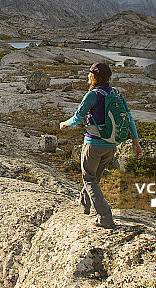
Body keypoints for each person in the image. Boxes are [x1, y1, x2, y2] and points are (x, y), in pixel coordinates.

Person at [60, 62, 142, 228]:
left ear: (93, 76)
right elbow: (129, 118)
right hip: (111, 146)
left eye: (90, 74)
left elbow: (78, 117)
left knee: (89, 178)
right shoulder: (116, 93)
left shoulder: (93, 95)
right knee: (94, 177)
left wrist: (65, 124)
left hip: (94, 144)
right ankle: (84, 204)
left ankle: (105, 216)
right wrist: (135, 142)